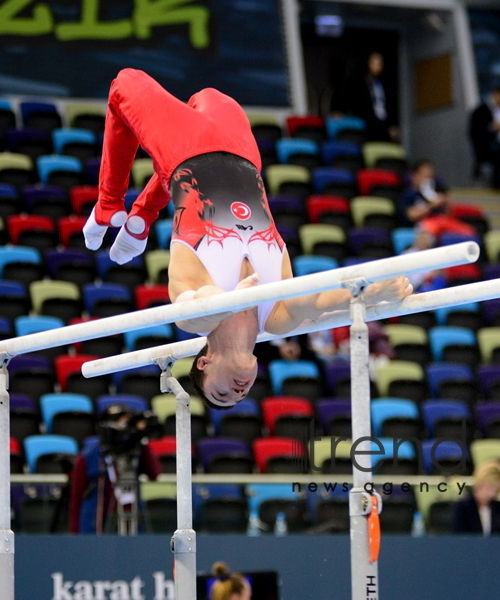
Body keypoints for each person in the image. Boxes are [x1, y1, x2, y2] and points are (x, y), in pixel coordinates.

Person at [83, 69, 413, 411]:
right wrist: (371, 295)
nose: (238, 392)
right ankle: (141, 218)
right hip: (243, 153)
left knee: (124, 84)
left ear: (203, 363)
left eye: (221, 393)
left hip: (186, 150)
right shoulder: (276, 319)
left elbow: (202, 307)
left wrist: (233, 300)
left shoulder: (193, 319)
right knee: (212, 94)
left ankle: (109, 205)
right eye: (240, 396)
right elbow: (317, 299)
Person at [68, 404, 161, 534]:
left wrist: (140, 439)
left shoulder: (135, 451)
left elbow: (155, 473)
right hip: (97, 525)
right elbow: (76, 497)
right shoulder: (88, 456)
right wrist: (75, 533)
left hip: (132, 523)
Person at [399, 160, 476, 241]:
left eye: (429, 176)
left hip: (441, 222)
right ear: (414, 176)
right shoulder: (409, 195)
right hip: (423, 225)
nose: (427, 179)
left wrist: (446, 202)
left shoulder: (436, 192)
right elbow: (411, 215)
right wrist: (431, 205)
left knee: (469, 232)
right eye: (424, 175)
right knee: (426, 231)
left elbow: (448, 214)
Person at [469, 84, 500, 189]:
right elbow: (475, 132)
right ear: (495, 95)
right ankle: (496, 186)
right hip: (488, 144)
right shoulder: (480, 111)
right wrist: (493, 128)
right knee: (498, 152)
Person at [453, 460, 500, 535]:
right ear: (480, 483)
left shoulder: (499, 507)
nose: (492, 493)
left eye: (496, 490)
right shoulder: (463, 507)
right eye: (490, 487)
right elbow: (459, 536)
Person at [357, 52, 400, 142]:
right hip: (369, 124)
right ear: (368, 64)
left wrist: (393, 125)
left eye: (379, 64)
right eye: (374, 63)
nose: (376, 67)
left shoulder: (386, 83)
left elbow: (391, 105)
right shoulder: (361, 83)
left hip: (385, 123)